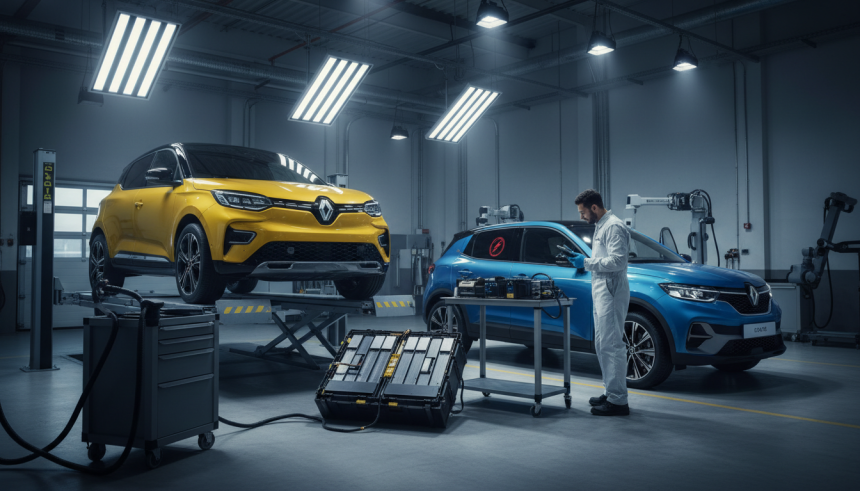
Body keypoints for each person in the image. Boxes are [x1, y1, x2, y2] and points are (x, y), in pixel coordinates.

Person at [568, 189, 631, 416]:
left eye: (583, 212)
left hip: (611, 289)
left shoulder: (613, 226)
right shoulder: (600, 226)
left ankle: (618, 401)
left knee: (612, 345)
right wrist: (585, 262)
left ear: (594, 207)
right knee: (602, 344)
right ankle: (611, 391)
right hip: (602, 288)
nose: (582, 216)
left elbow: (618, 261)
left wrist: (585, 262)